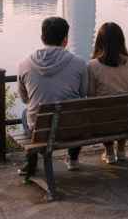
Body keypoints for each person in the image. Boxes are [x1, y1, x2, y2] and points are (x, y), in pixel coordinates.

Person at [17, 17, 88, 176]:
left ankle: (31, 161)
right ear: (65, 40)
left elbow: (24, 99)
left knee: (25, 112)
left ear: (42, 38)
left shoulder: (24, 64)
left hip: (40, 130)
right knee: (76, 109)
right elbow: (83, 93)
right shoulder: (79, 63)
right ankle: (73, 158)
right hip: (70, 129)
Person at [87, 22, 128, 164]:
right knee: (125, 109)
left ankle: (109, 152)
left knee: (103, 111)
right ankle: (121, 149)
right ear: (122, 41)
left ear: (100, 42)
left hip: (104, 123)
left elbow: (90, 96)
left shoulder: (92, 66)